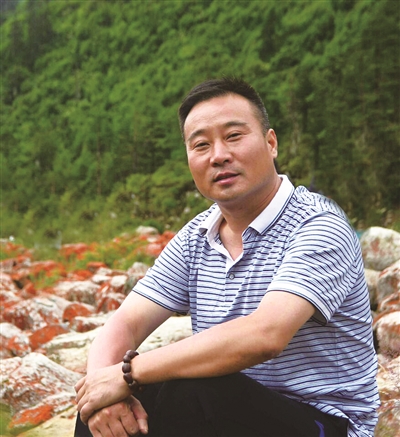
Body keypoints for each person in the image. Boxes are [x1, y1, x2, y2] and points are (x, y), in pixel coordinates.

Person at [74, 78, 379, 437]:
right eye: (201, 145)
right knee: (104, 408)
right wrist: (101, 391)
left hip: (323, 422)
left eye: (234, 136)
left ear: (270, 143)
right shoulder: (197, 236)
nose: (218, 155)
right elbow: (125, 323)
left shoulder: (319, 224)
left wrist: (128, 374)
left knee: (190, 391)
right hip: (230, 412)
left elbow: (266, 335)